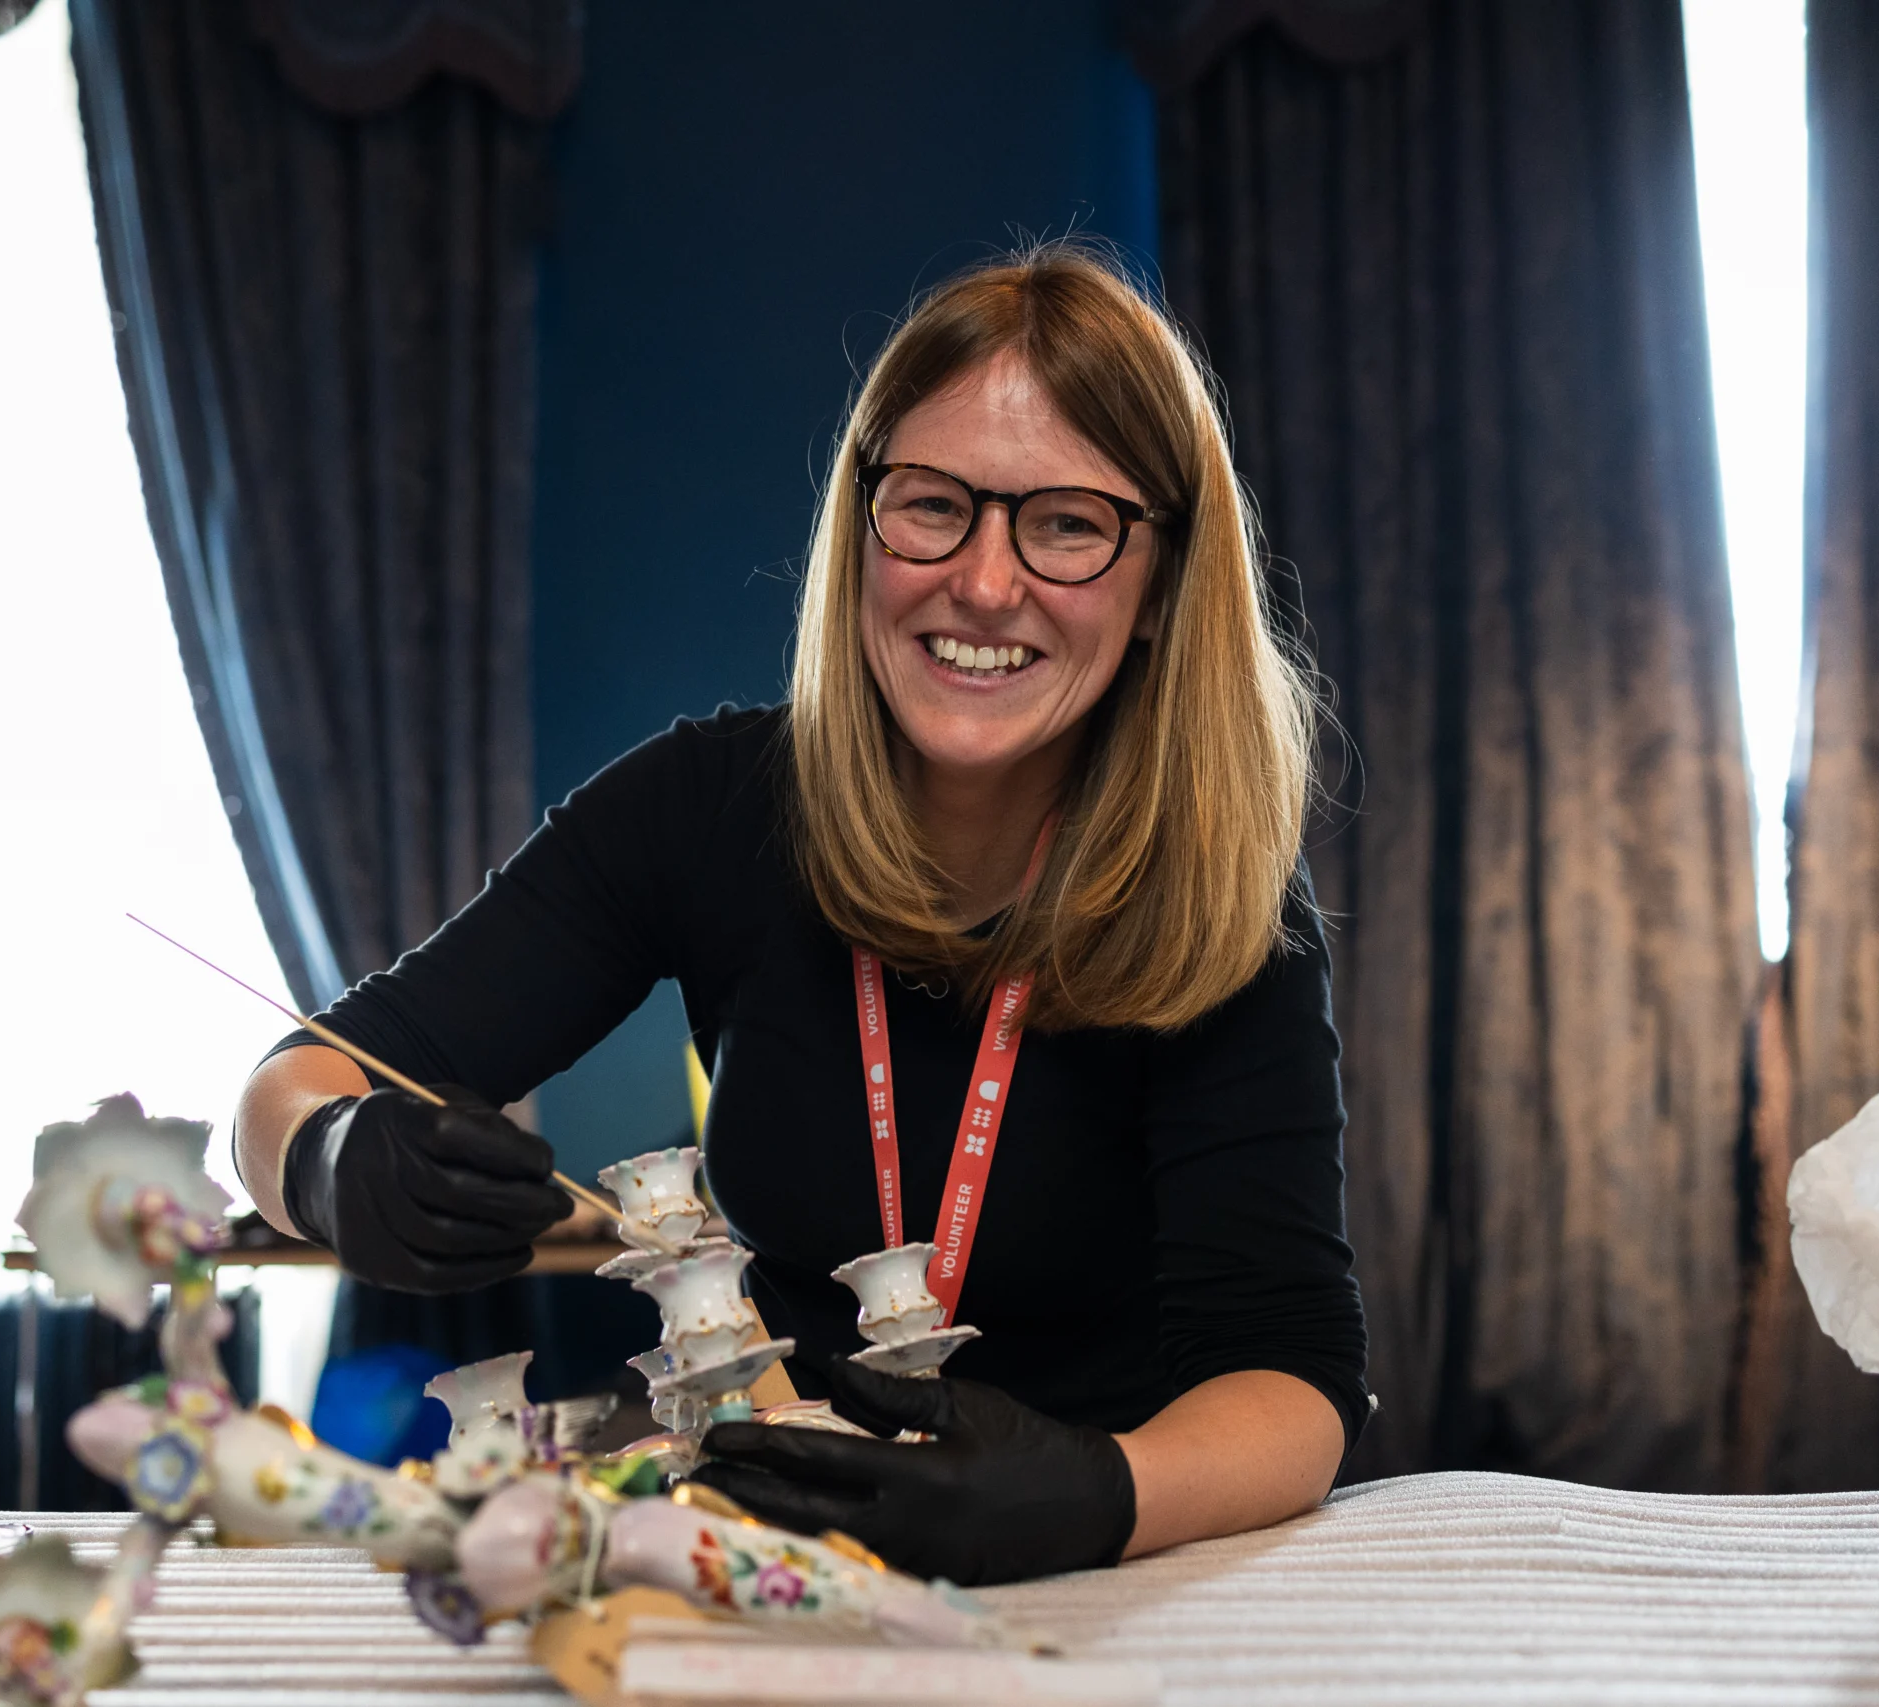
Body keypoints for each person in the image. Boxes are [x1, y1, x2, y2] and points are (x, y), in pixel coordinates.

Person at [233, 243, 1367, 1587]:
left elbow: (1294, 1385)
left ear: (1163, 581)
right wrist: (332, 1156)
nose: (987, 584)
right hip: (784, 1557)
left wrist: (1086, 1494)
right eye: (933, 505)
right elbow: (286, 1085)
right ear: (863, 527)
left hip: (1117, 1569)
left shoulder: (1221, 880)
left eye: (1066, 522)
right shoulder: (709, 804)